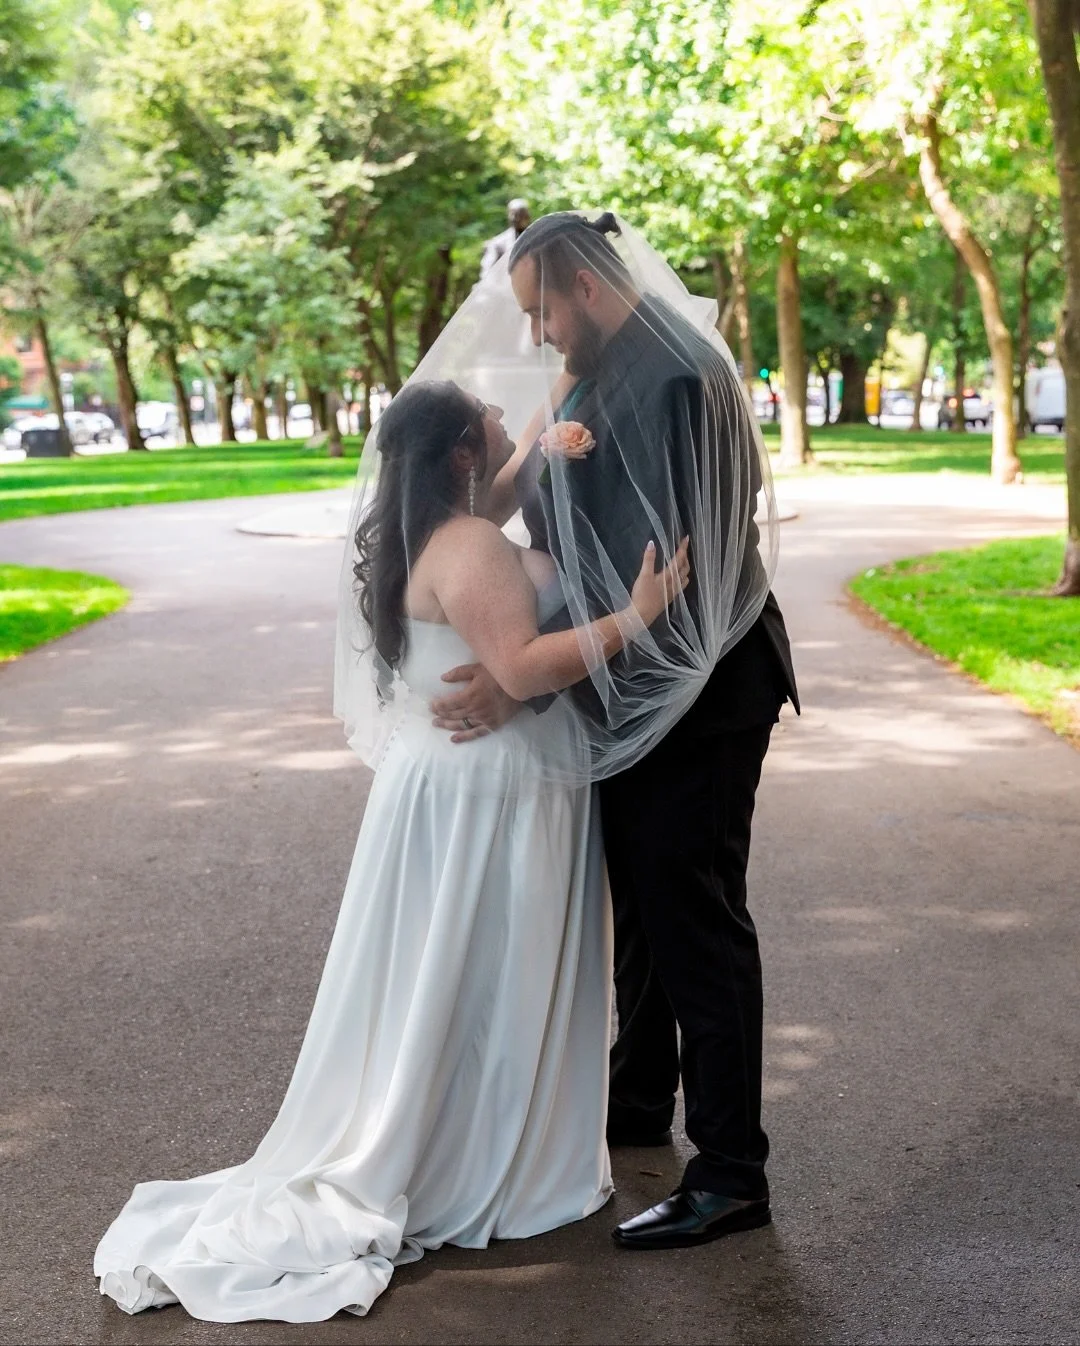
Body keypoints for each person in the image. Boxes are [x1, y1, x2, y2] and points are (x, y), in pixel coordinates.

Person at [93, 380, 689, 1323]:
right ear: (460, 453)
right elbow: (524, 667)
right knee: (483, 974)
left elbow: (499, 494)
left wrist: (547, 421)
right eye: (488, 416)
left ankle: (480, 1129)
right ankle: (487, 1151)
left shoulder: (436, 527)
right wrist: (640, 614)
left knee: (449, 978)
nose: (503, 417)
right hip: (490, 797)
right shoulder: (469, 547)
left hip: (452, 789)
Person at [430, 210, 799, 1250]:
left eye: (543, 308)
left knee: (695, 919)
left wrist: (524, 686)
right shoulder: (597, 368)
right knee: (638, 903)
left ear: (586, 287)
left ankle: (731, 1172)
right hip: (637, 690)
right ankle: (637, 1103)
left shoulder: (673, 375)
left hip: (705, 689)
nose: (539, 331)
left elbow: (667, 581)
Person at [479, 198, 531, 280]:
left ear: (528, 216)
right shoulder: (498, 243)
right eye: (513, 214)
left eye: (520, 214)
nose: (515, 218)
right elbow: (487, 272)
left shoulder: (539, 240)